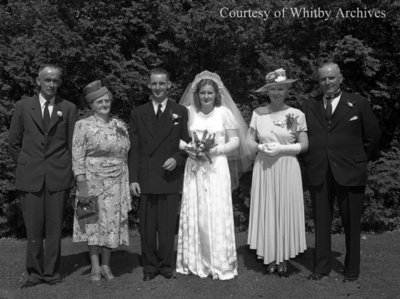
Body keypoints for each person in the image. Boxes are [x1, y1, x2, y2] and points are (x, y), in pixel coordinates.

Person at [303, 62, 381, 282]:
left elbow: (373, 136)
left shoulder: (358, 103)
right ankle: (321, 267)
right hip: (319, 171)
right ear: (318, 82)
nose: (327, 82)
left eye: (331, 78)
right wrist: (309, 160)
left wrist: (358, 158)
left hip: (350, 172)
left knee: (352, 224)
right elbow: (303, 136)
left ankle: (351, 270)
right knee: (321, 223)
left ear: (340, 78)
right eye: (322, 79)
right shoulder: (309, 105)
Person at [176, 70, 252, 280]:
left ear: (216, 94)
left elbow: (236, 141)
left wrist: (215, 150)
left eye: (210, 93)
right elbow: (176, 139)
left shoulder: (224, 113)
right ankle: (195, 260)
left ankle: (219, 261)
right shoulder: (187, 112)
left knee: (216, 210)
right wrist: (190, 148)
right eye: (203, 93)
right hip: (194, 166)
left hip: (217, 166)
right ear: (197, 94)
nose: (206, 96)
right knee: (196, 210)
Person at [8, 64, 77, 288]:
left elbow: (72, 145)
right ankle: (34, 273)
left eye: (56, 80)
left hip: (58, 175)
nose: (52, 84)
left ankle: (51, 272)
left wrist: (67, 168)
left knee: (55, 227)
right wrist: (27, 163)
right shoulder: (22, 106)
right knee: (33, 227)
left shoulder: (68, 108)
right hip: (30, 176)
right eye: (47, 80)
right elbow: (13, 142)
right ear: (38, 81)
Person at [129, 68, 190, 281]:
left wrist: (177, 159)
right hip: (146, 177)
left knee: (166, 228)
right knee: (146, 228)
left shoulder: (180, 111)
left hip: (168, 177)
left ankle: (165, 267)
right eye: (154, 84)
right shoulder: (138, 112)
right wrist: (133, 179)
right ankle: (149, 268)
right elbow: (134, 148)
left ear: (169, 85)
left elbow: (187, 145)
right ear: (148, 85)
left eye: (161, 84)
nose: (157, 88)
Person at [246, 68, 308, 277]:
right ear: (267, 91)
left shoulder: (296, 114)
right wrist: (260, 148)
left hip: (287, 166)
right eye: (272, 89)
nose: (276, 93)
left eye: (280, 88)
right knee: (267, 208)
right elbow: (249, 140)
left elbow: (304, 144)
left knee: (285, 208)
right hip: (264, 167)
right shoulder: (258, 113)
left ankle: (284, 256)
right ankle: (270, 255)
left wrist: (282, 149)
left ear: (287, 90)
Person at [71, 80, 131, 283]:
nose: (105, 104)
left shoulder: (120, 124)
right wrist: (82, 185)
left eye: (107, 100)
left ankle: (106, 264)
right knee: (93, 223)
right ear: (91, 105)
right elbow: (77, 157)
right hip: (93, 181)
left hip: (116, 181)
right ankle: (95, 265)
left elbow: (126, 151)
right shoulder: (83, 125)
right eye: (99, 101)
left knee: (111, 224)